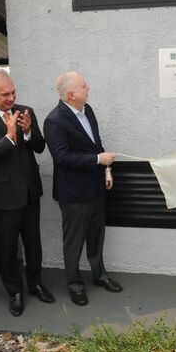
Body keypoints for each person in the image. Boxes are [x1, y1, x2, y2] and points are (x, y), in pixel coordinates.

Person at [0, 70, 54, 316]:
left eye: (13, 92)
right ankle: (14, 291)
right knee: (6, 248)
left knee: (33, 243)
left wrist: (28, 132)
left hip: (29, 191)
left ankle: (35, 283)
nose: (11, 98)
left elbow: (39, 147)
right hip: (2, 196)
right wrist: (9, 137)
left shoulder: (25, 111)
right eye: (5, 94)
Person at [43, 72, 123, 306]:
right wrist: (98, 160)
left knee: (96, 236)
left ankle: (100, 275)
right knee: (74, 241)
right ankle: (75, 285)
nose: (88, 88)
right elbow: (62, 158)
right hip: (73, 194)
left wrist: (106, 170)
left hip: (96, 187)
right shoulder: (55, 120)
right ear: (71, 94)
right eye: (83, 86)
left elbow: (96, 146)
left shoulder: (88, 111)